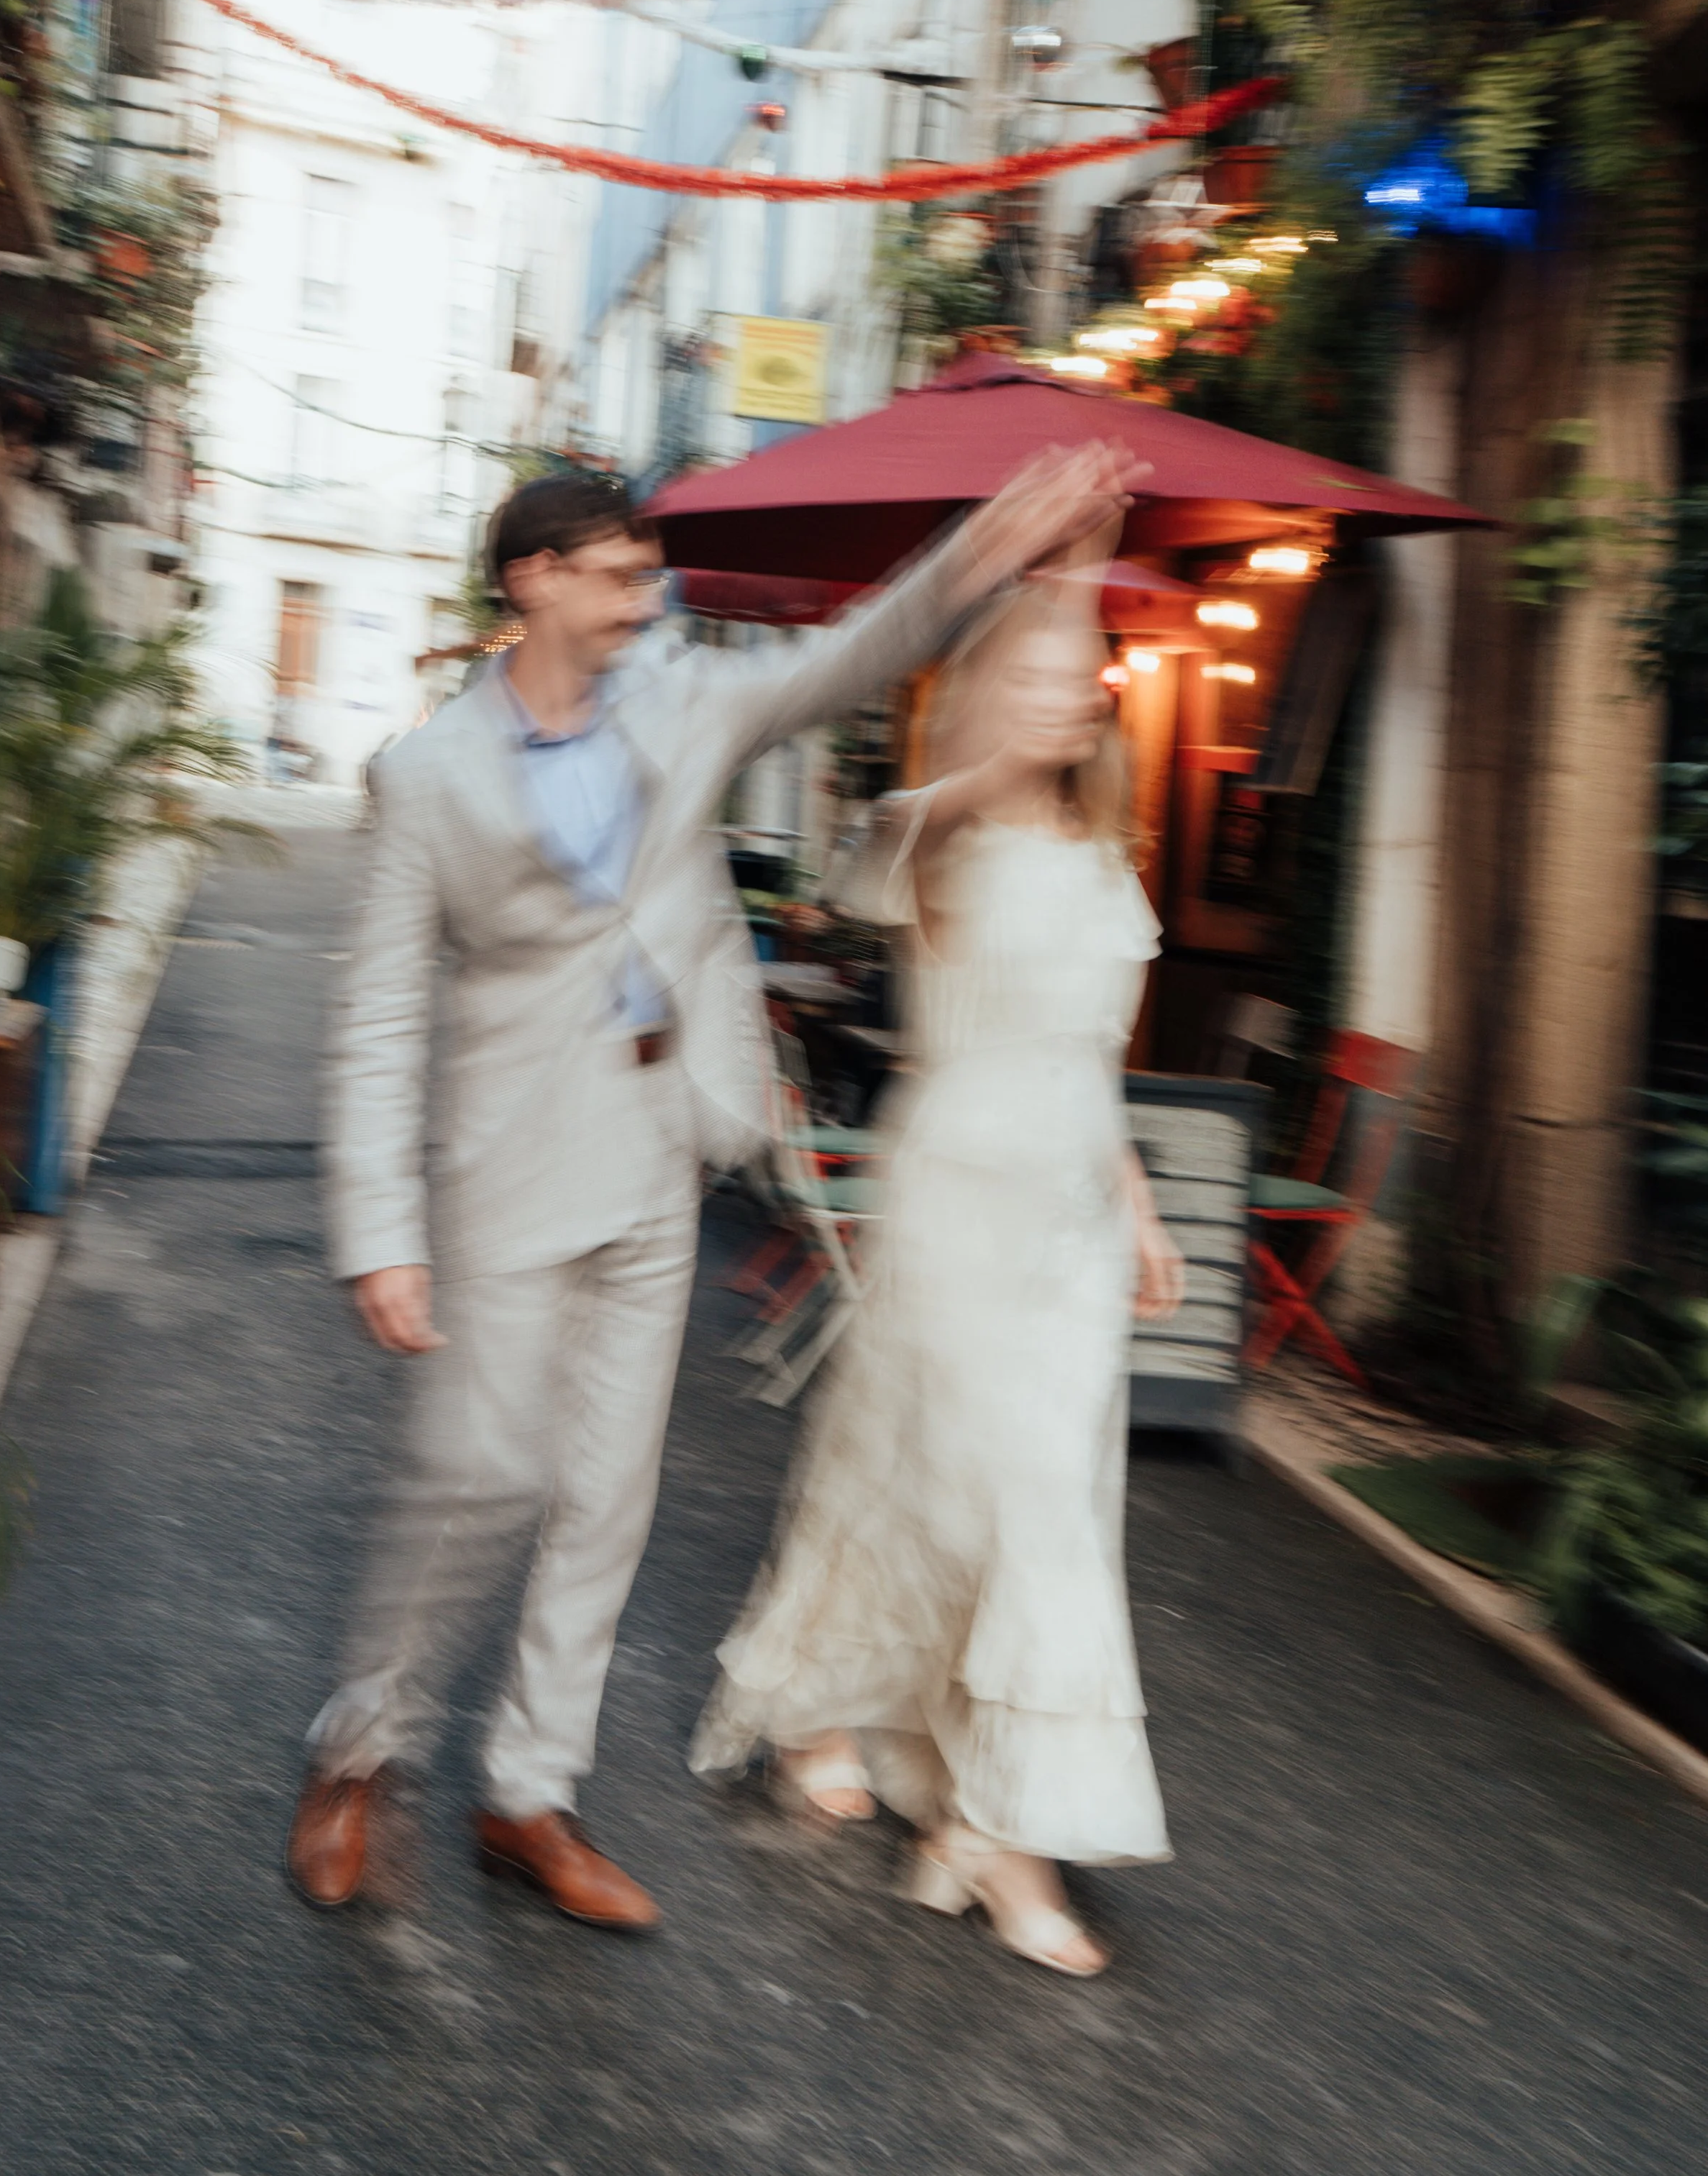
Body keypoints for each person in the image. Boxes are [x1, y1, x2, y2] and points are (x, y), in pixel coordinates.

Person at [286, 448, 1146, 1929]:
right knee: (480, 1478)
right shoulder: (424, 778)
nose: (645, 597)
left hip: (656, 1151)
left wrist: (984, 547)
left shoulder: (682, 702)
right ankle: (360, 1748)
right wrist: (381, 1232)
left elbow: (850, 656)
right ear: (533, 580)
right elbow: (374, 1020)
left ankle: (529, 1796)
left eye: (648, 574)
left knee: (607, 1504)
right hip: (501, 1177)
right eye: (619, 574)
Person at [691, 560, 1185, 1977]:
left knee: (1037, 1510)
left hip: (1070, 1234)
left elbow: (1090, 1068)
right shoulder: (938, 839)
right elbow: (864, 866)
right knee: (969, 1496)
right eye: (1021, 678)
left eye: (1071, 677)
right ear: (977, 699)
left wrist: (1138, 1206)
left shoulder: (1108, 860)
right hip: (957, 1202)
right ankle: (988, 1830)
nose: (1054, 698)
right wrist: (974, 762)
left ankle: (950, 1792)